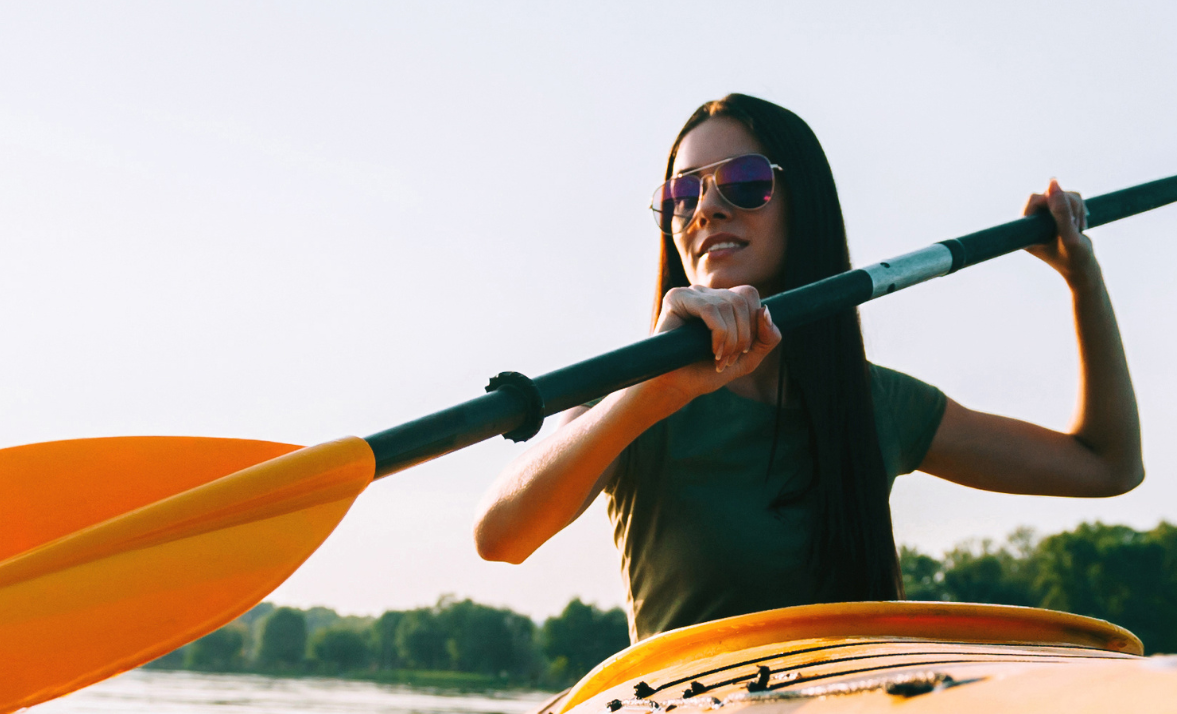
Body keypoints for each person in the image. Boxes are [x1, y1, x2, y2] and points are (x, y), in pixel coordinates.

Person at [473, 94, 1144, 640]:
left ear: (804, 207)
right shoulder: (629, 397)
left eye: (743, 182)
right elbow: (502, 536)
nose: (705, 208)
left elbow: (1107, 466)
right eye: (683, 193)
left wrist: (1083, 280)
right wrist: (655, 390)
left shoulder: (877, 404)